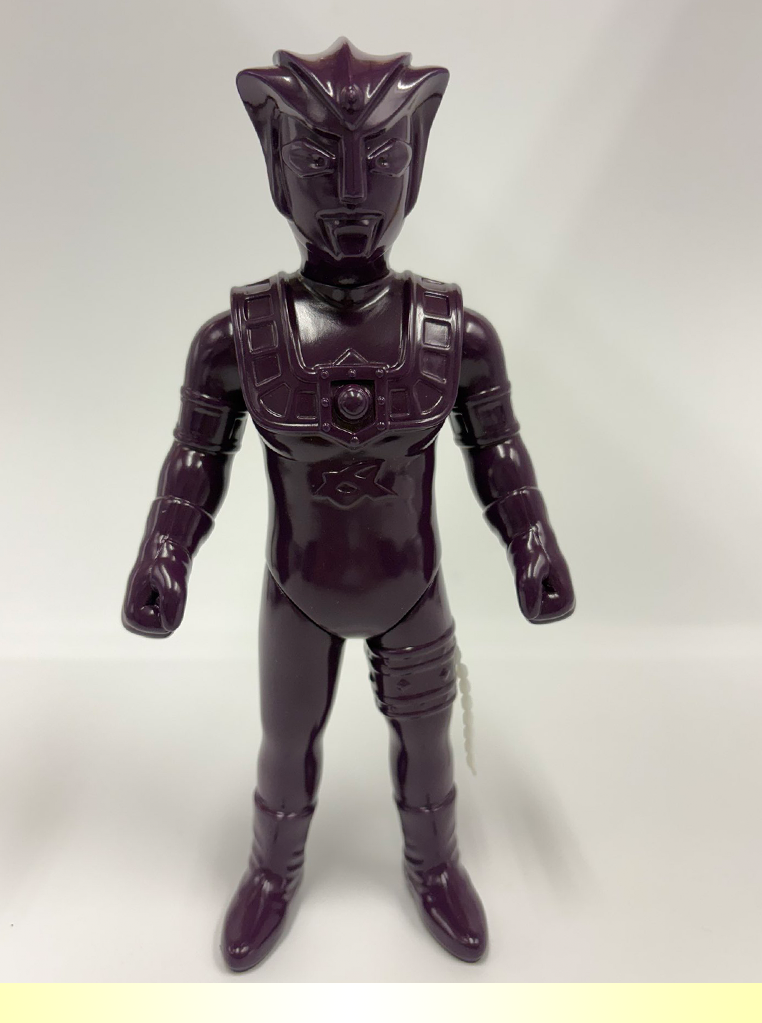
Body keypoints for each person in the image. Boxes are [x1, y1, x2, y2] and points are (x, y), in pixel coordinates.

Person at [123, 39, 575, 972]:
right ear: (276, 168)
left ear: (416, 165)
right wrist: (162, 553)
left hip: (412, 588)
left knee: (427, 747)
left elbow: (498, 452)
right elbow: (194, 460)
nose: (353, 194)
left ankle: (434, 864)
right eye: (322, 163)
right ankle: (272, 870)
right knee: (286, 744)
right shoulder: (236, 342)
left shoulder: (455, 336)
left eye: (381, 161)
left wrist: (532, 542)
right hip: (298, 590)